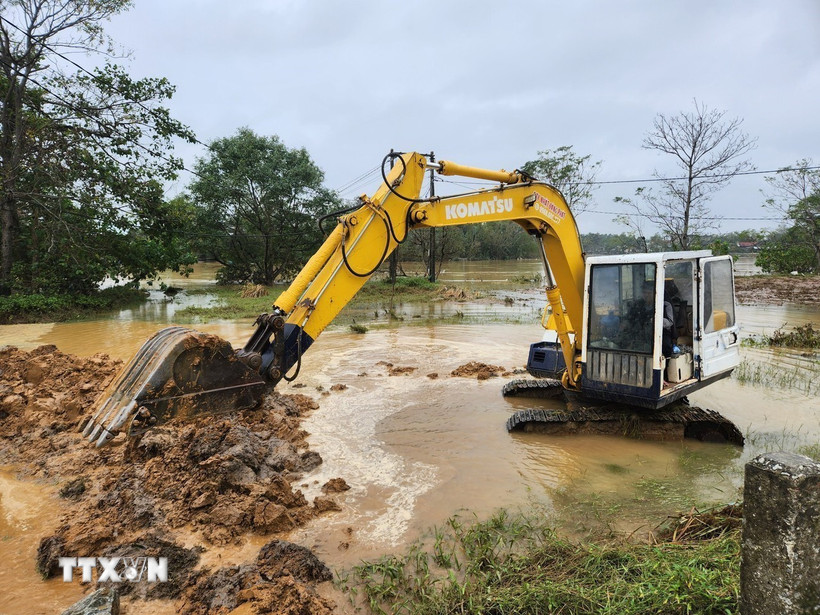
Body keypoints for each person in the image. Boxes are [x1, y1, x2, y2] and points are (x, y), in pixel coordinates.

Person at [662, 279, 679, 357]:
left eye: (648, 293)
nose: (646, 295)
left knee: (665, 345)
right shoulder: (641, 304)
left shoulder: (666, 304)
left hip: (664, 331)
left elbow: (670, 322)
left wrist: (658, 321)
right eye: (644, 293)